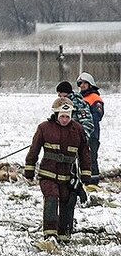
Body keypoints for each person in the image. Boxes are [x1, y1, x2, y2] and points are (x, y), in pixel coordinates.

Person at [25, 98, 93, 241]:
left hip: (67, 177)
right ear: (56, 115)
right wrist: (29, 170)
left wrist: (86, 174)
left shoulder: (77, 130)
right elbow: (34, 150)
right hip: (47, 174)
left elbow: (84, 153)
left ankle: (63, 235)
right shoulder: (44, 128)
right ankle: (50, 235)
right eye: (62, 116)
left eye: (67, 116)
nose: (64, 119)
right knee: (52, 197)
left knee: (66, 201)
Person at [76, 72, 104, 188]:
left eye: (84, 83)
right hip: (79, 133)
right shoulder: (80, 98)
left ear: (90, 84)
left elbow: (98, 116)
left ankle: (93, 182)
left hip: (92, 134)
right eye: (80, 83)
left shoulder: (95, 99)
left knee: (91, 157)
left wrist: (85, 122)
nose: (81, 85)